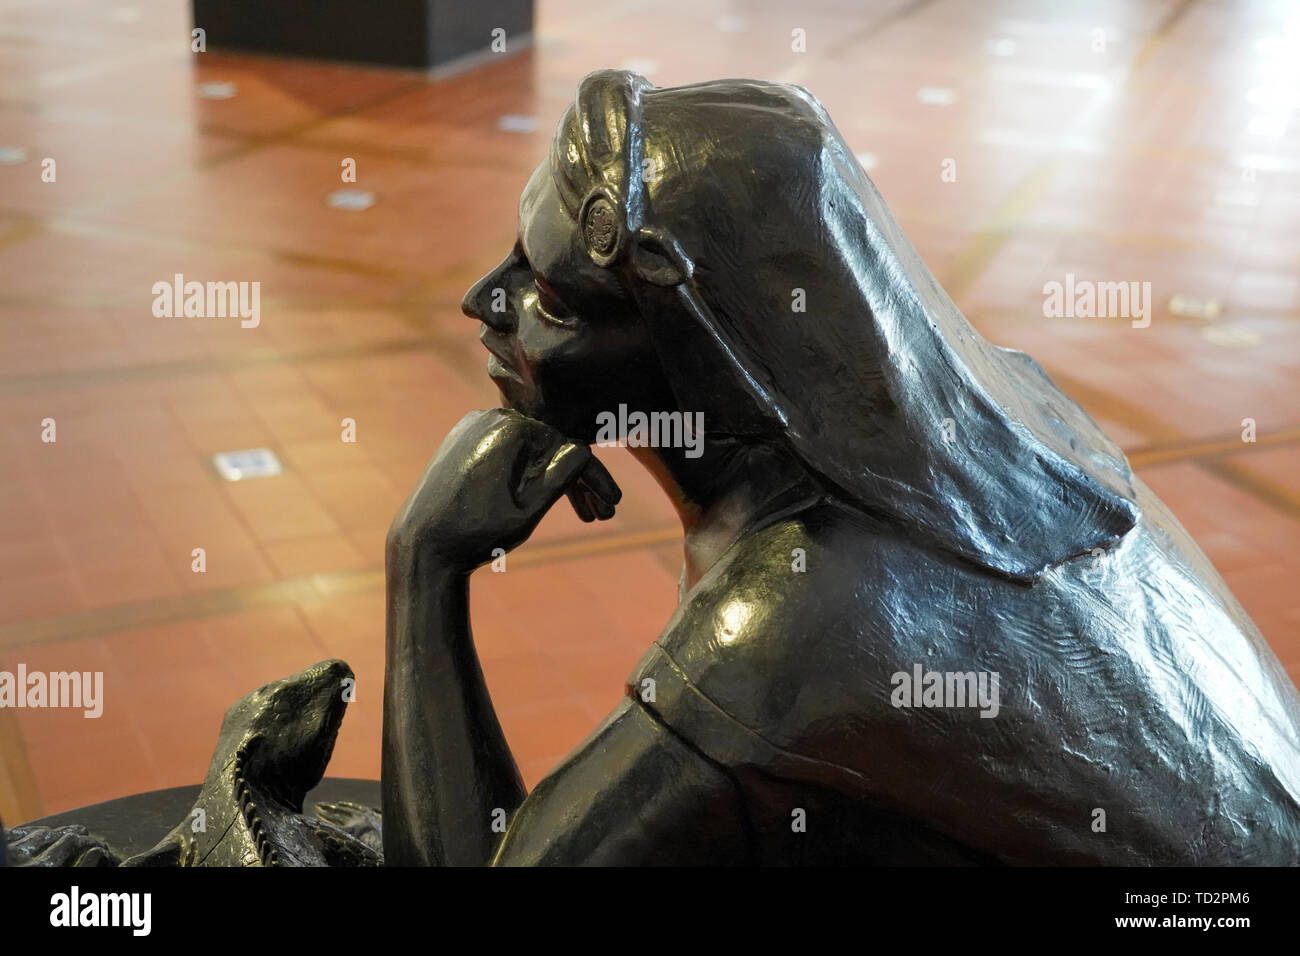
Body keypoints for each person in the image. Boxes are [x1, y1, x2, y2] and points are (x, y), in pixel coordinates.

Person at [382, 70, 1300, 865]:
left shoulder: (792, 627)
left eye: (545, 296)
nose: (480, 301)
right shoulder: (1025, 417)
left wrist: (425, 566)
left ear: (692, 348)